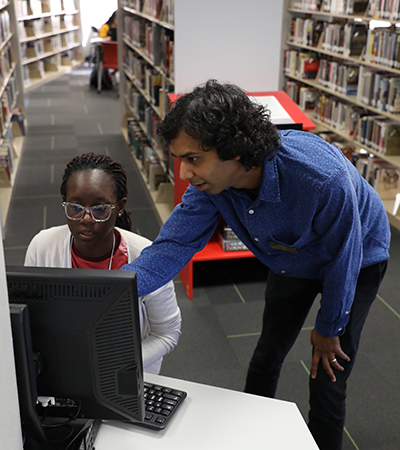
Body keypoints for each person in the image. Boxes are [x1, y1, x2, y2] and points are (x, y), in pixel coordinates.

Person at [120, 80, 390, 450]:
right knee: (267, 354)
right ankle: (249, 435)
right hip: (291, 259)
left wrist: (329, 327)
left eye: (193, 159)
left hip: (357, 256)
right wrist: (110, 291)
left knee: (328, 373)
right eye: (180, 159)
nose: (184, 174)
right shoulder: (212, 186)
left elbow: (346, 254)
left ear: (238, 148)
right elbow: (172, 246)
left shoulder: (321, 179)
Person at [25, 153, 181, 375]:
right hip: (62, 368)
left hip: (126, 372)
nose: (86, 219)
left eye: (99, 209)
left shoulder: (146, 257)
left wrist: (115, 363)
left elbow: (167, 333)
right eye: (75, 207)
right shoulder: (42, 247)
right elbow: (30, 318)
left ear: (119, 206)